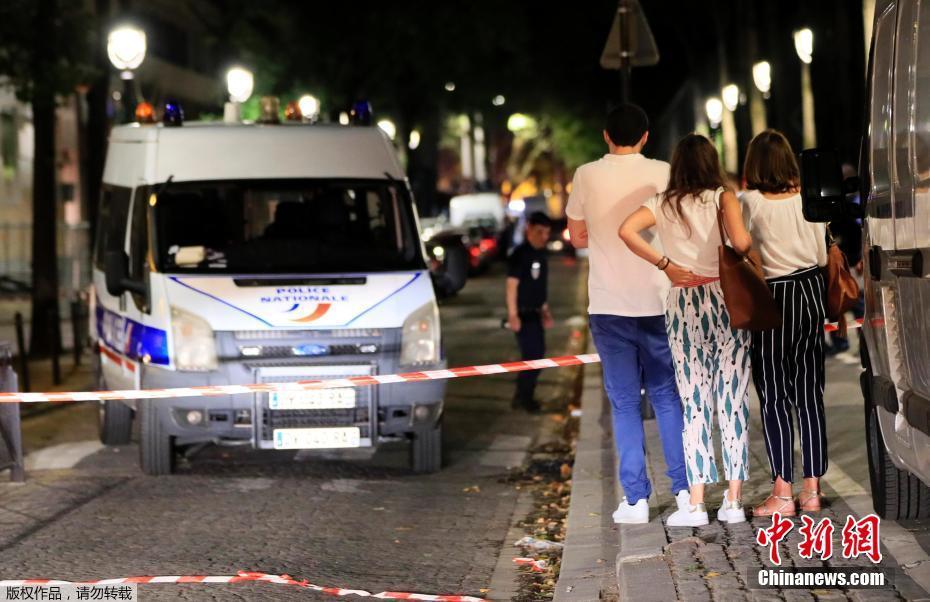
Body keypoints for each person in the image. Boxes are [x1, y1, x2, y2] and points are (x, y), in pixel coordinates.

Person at [620, 133, 754, 527]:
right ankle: (733, 502)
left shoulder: (661, 203)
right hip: (725, 298)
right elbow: (743, 243)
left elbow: (627, 231)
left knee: (695, 402)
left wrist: (665, 264)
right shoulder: (722, 197)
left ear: (677, 164)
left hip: (682, 300)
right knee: (732, 398)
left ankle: (695, 505)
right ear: (711, 162)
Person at [566, 103, 690, 524]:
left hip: (608, 304)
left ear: (605, 136)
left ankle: (635, 500)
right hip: (659, 300)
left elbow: (576, 235)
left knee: (623, 404)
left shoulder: (585, 175)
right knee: (667, 397)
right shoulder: (663, 171)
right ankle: (685, 493)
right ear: (645, 136)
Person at [740, 130, 829, 516]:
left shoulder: (749, 203)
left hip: (773, 296)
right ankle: (812, 489)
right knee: (810, 392)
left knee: (775, 394)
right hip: (811, 290)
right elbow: (825, 256)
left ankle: (781, 490)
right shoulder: (808, 199)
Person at [506, 211, 554, 412]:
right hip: (523, 314)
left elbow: (540, 287)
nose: (544, 236)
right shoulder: (520, 254)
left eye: (547, 233)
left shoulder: (541, 255)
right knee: (532, 356)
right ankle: (524, 398)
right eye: (540, 231)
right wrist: (513, 314)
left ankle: (523, 396)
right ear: (529, 230)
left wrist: (545, 310)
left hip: (536, 313)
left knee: (537, 356)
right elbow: (511, 286)